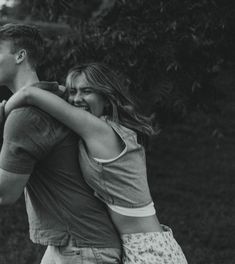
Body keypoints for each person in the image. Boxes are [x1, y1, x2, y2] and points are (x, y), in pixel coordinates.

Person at [5, 62, 188, 263]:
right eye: (73, 91)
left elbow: (29, 95)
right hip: (141, 243)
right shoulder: (104, 128)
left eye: (87, 91)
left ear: (106, 98)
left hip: (148, 250)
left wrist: (4, 111)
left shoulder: (102, 132)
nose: (76, 99)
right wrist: (63, 89)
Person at [0, 24, 122, 263]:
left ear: (20, 55)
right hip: (84, 241)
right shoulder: (59, 98)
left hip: (80, 247)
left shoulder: (25, 116)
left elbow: (5, 194)